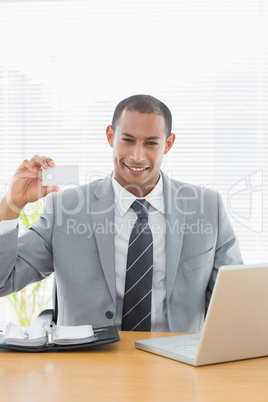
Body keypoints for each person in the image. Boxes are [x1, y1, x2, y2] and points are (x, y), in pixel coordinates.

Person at [0, 94, 243, 332]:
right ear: (110, 136)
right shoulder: (65, 208)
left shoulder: (207, 207)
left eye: (151, 143)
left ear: (167, 144)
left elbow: (234, 305)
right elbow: (4, 281)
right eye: (127, 140)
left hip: (177, 364)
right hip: (88, 365)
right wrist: (11, 204)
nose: (137, 156)